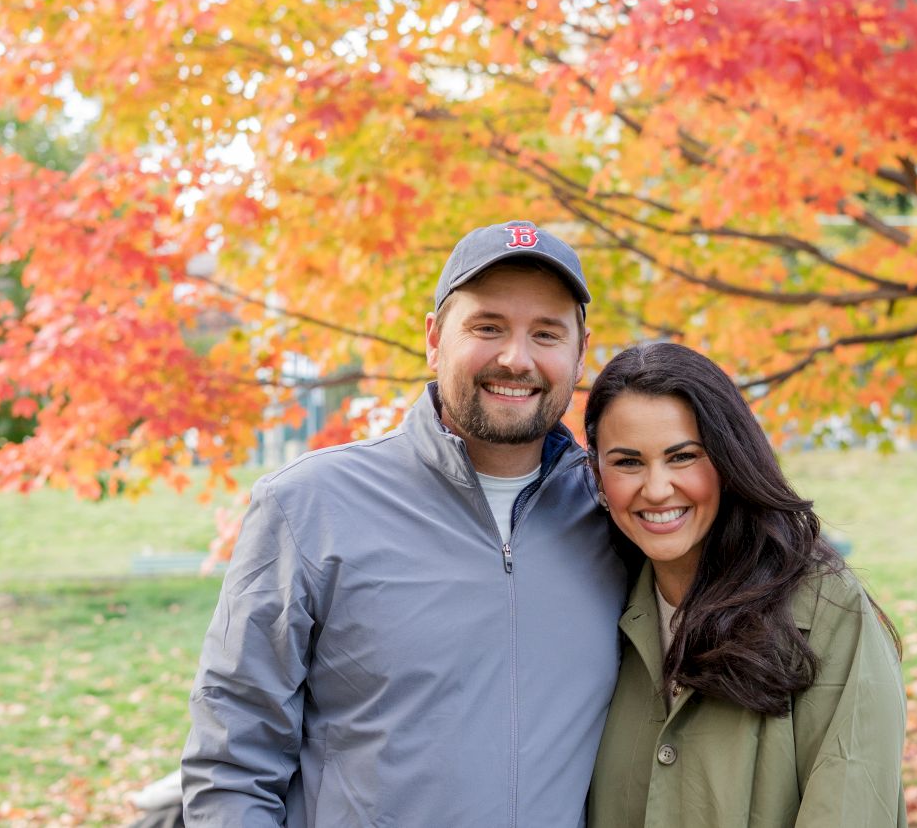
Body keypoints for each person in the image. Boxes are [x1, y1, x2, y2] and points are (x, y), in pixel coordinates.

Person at [182, 220, 627, 826]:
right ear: (434, 339)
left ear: (580, 353)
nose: (515, 358)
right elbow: (232, 766)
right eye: (487, 327)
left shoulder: (620, 514)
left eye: (545, 333)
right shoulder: (310, 507)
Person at [584, 343, 907, 828]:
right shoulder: (599, 608)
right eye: (628, 462)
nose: (655, 489)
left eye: (683, 456)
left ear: (729, 460)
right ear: (598, 474)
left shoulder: (829, 613)